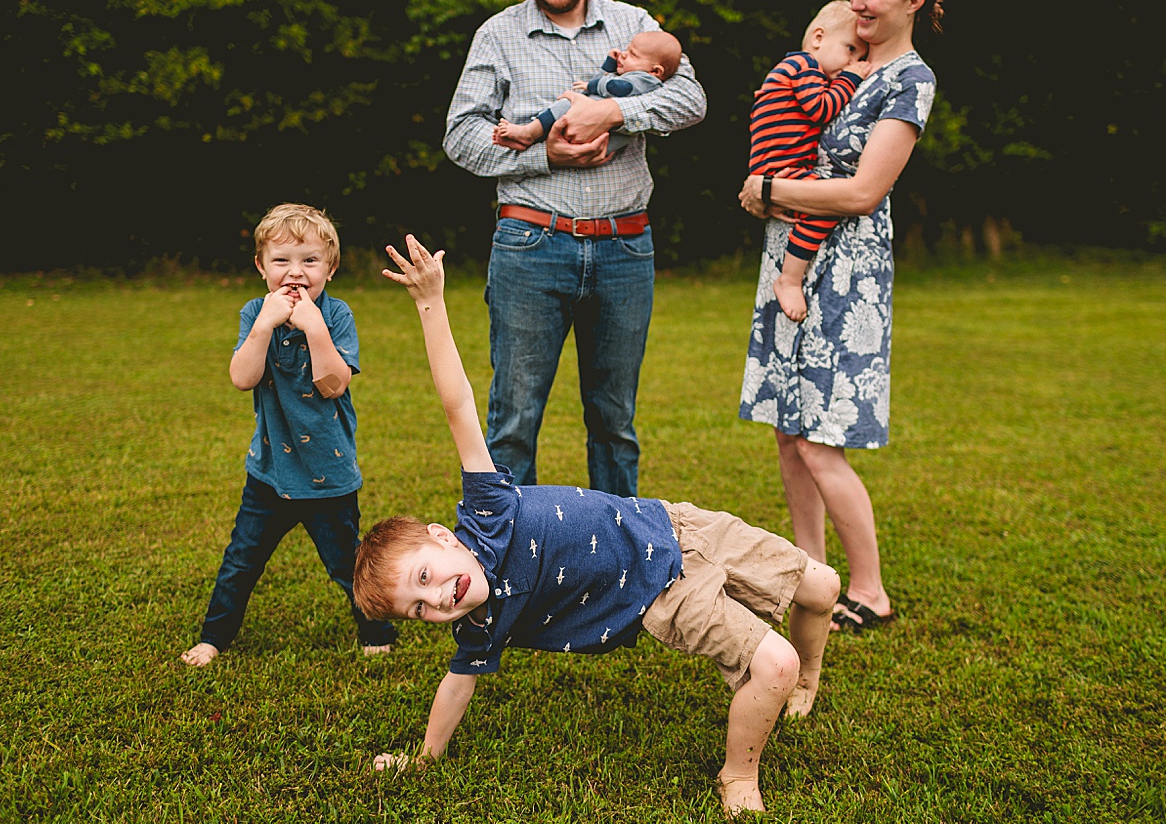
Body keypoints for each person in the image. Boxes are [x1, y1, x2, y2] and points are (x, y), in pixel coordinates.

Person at [357, 234, 841, 816]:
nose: (438, 599)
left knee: (823, 588)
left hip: (679, 524)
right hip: (660, 591)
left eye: (426, 576)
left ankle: (810, 681)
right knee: (774, 663)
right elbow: (457, 684)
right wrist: (425, 756)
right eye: (420, 609)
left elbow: (456, 404)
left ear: (441, 535)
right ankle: (738, 775)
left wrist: (430, 303)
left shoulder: (486, 513)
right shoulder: (481, 623)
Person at [443, 0, 706, 498]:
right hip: (531, 244)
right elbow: (460, 137)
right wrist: (546, 153)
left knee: (614, 424)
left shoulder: (634, 24)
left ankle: (620, 568)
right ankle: (508, 566)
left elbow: (692, 100)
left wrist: (612, 111)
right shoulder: (498, 35)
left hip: (624, 247)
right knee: (513, 423)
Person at [737, 0, 943, 633]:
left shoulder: (909, 81)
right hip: (789, 256)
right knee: (789, 433)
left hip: (846, 275)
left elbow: (861, 192)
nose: (858, 3)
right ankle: (810, 572)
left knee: (822, 440)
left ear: (913, 1)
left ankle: (872, 588)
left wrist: (769, 185)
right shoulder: (834, 62)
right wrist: (772, 191)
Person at [181, 203, 397, 666]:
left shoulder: (336, 317)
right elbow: (242, 377)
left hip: (329, 475)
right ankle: (214, 638)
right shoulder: (255, 313)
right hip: (269, 475)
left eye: (309, 261)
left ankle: (377, 631)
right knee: (241, 562)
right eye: (281, 261)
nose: (295, 273)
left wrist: (313, 326)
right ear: (261, 267)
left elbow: (333, 384)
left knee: (347, 565)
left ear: (330, 269)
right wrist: (263, 325)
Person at [749, 1, 873, 323]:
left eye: (860, 58)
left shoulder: (798, 69)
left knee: (822, 203)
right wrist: (849, 80)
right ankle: (789, 279)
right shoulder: (803, 66)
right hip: (781, 167)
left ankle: (789, 277)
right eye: (850, 49)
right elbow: (821, 108)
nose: (853, 62)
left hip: (778, 166)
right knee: (831, 202)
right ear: (818, 38)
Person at [493, 30, 684, 154]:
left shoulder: (643, 81)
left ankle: (528, 132)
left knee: (566, 104)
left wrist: (588, 87)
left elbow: (613, 87)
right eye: (627, 49)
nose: (624, 54)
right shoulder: (635, 75)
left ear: (655, 71)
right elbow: (606, 79)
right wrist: (611, 64)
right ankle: (530, 143)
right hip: (604, 141)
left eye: (633, 54)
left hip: (599, 134)